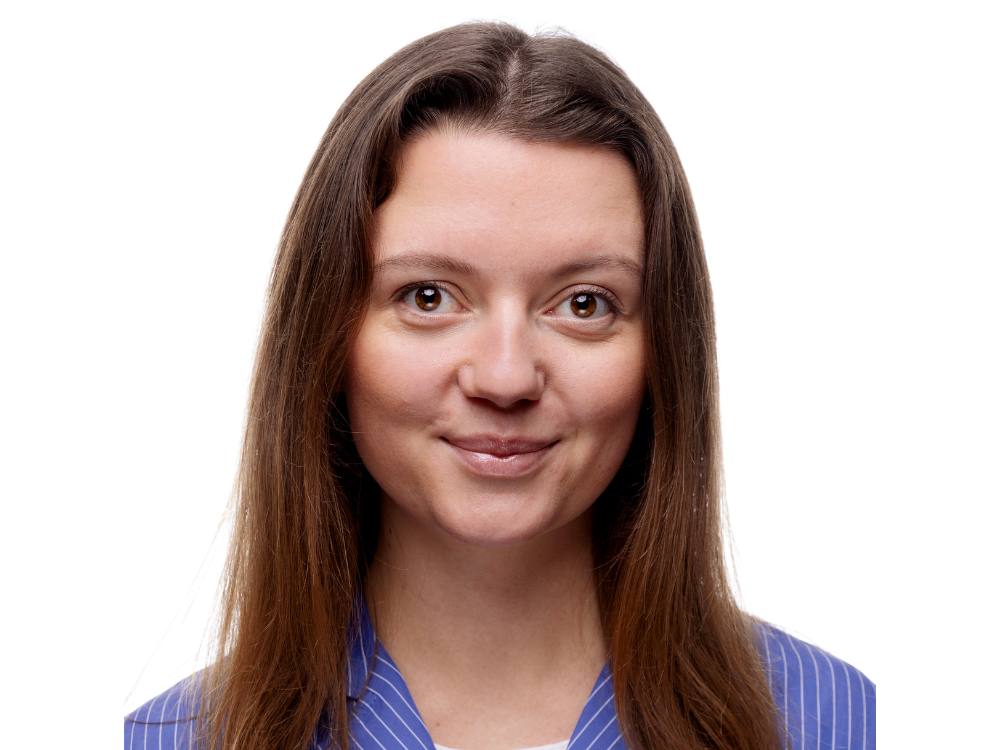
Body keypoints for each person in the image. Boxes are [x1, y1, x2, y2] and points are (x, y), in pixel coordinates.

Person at [125, 20, 875, 750]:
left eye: (584, 304)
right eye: (428, 297)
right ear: (326, 336)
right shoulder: (169, 740)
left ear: (664, 353)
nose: (506, 377)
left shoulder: (847, 725)